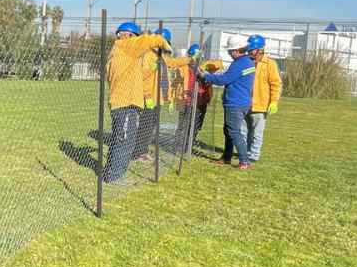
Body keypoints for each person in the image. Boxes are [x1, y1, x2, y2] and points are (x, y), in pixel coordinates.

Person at [104, 22, 171, 182]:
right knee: (125, 142)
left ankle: (110, 173)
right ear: (127, 35)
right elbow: (149, 40)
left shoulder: (120, 52)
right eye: (135, 37)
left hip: (123, 103)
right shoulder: (126, 47)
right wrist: (163, 41)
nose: (137, 40)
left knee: (119, 140)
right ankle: (114, 177)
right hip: (126, 104)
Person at [200, 34, 256, 170]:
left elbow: (224, 79)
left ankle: (244, 161)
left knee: (234, 132)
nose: (230, 53)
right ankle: (226, 157)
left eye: (230, 51)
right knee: (228, 130)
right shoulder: (248, 62)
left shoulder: (239, 64)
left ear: (236, 51)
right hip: (241, 102)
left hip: (235, 103)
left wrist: (206, 76)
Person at [133, 27, 188, 160]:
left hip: (158, 98)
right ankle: (139, 152)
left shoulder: (162, 56)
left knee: (152, 124)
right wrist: (147, 96)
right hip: (149, 97)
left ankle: (143, 149)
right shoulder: (148, 55)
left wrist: (189, 59)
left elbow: (173, 63)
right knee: (146, 124)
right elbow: (144, 76)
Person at [245, 34, 282, 162]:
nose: (249, 51)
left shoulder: (270, 64)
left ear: (260, 49)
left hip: (260, 105)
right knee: (244, 132)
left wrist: (274, 102)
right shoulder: (247, 62)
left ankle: (253, 155)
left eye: (251, 49)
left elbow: (276, 84)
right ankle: (245, 153)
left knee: (256, 133)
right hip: (245, 104)